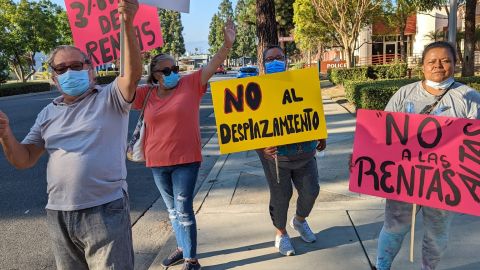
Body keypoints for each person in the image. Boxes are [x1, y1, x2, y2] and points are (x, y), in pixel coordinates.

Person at [0, 0, 142, 268]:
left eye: (77, 66)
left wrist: (127, 22)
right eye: (61, 69)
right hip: (59, 214)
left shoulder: (110, 98)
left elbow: (132, 74)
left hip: (105, 210)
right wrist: (6, 135)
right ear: (54, 78)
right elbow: (24, 159)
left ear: (90, 69)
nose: (70, 72)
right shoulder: (47, 113)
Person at [132, 20, 236, 270]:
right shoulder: (145, 93)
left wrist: (227, 44)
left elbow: (213, 64)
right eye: (166, 71)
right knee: (171, 210)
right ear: (154, 74)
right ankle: (181, 248)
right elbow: (126, 80)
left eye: (175, 68)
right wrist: (134, 49)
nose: (172, 73)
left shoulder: (191, 84)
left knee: (183, 207)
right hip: (157, 161)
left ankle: (191, 259)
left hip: (186, 160)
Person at [375, 41, 480, 270]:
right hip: (404, 180)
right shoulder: (404, 94)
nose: (438, 66)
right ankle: (382, 266)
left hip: (444, 184)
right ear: (422, 65)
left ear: (455, 63)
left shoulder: (470, 98)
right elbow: (382, 133)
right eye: (432, 61)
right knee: (393, 228)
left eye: (445, 60)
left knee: (436, 236)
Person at [257, 45, 326, 256]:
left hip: (305, 151)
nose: (275, 61)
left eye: (279, 57)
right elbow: (245, 127)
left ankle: (300, 221)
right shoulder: (257, 90)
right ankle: (281, 233)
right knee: (281, 197)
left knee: (311, 191)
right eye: (270, 59)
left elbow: (314, 107)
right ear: (264, 64)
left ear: (286, 60)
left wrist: (321, 133)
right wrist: (261, 146)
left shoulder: (302, 83)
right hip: (277, 157)